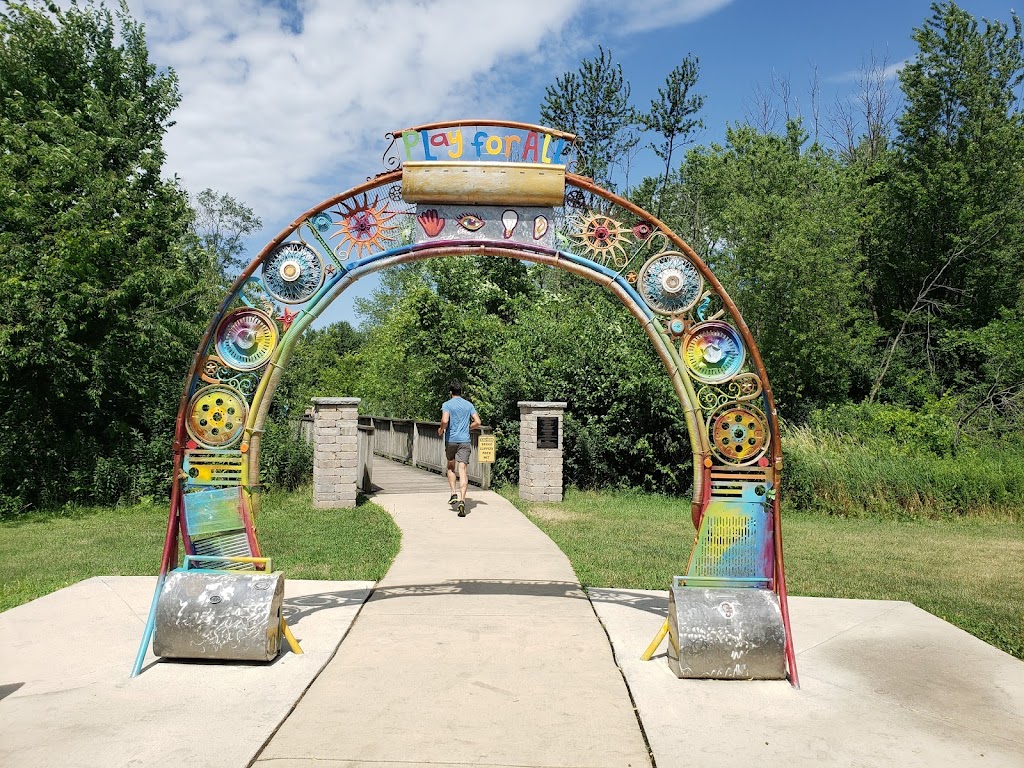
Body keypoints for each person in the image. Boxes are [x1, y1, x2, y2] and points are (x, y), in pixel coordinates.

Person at [438, 381, 481, 517]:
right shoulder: (468, 405)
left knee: (451, 466)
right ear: (461, 392)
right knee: (462, 470)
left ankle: (453, 494)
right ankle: (462, 500)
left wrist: (441, 429)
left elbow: (445, 421)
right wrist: (468, 428)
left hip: (451, 440)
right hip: (464, 441)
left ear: (451, 392)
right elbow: (478, 422)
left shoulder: (447, 404)